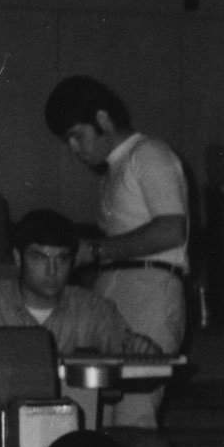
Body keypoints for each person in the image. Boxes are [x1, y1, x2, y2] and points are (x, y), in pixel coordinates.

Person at [43, 75, 188, 427]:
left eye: (77, 135)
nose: (74, 149)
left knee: (134, 415)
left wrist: (96, 250)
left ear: (104, 120)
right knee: (103, 414)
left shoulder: (149, 155)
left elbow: (173, 228)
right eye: (68, 142)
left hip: (150, 291)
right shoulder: (115, 169)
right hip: (116, 290)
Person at [0, 208, 151, 352]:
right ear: (18, 258)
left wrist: (139, 349)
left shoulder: (93, 308)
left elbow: (122, 343)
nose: (52, 270)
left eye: (62, 259)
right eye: (39, 257)